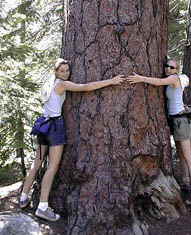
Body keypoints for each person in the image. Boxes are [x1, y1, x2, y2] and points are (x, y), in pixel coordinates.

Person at [19, 58, 124, 221]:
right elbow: (86, 87)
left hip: (43, 125)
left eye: (67, 70)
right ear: (56, 72)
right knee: (52, 167)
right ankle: (42, 207)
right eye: (62, 71)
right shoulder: (62, 84)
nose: (65, 73)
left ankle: (23, 197)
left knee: (37, 163)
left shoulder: (50, 82)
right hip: (54, 127)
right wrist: (111, 81)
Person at [127, 59, 191, 204]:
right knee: (180, 154)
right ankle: (185, 183)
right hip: (175, 120)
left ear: (176, 69)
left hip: (182, 121)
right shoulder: (174, 78)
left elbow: (158, 82)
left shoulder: (173, 78)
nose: (167, 68)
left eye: (171, 67)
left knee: (187, 155)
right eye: (166, 66)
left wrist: (140, 78)